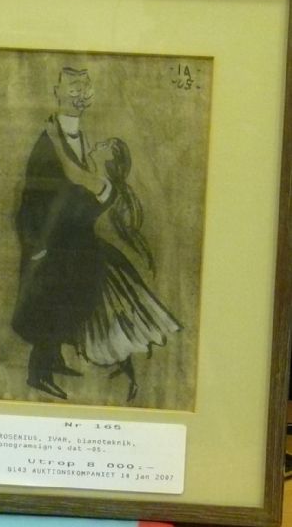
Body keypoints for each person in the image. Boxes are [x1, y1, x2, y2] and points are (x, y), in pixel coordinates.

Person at [48, 133, 182, 402]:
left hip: (92, 258)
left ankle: (130, 377)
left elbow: (73, 172)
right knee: (109, 318)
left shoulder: (102, 183)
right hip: (87, 253)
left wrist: (55, 139)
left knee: (108, 316)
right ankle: (126, 370)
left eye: (105, 147)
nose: (98, 146)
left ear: (110, 162)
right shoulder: (97, 178)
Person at [12, 67, 110, 400]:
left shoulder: (82, 138)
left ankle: (54, 359)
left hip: (74, 242)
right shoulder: (47, 142)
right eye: (72, 89)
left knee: (69, 300)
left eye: (84, 89)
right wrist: (35, 244)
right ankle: (37, 373)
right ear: (57, 93)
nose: (79, 96)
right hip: (49, 242)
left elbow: (82, 191)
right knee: (47, 304)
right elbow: (33, 198)